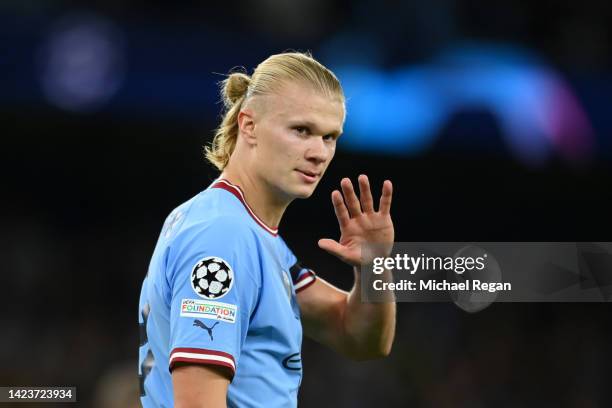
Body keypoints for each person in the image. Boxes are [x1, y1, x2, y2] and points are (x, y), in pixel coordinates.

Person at [138, 51, 396, 408]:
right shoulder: (223, 235)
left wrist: (375, 265)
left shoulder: (252, 233)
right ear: (249, 125)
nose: (319, 152)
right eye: (301, 130)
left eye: (329, 137)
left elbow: (359, 337)